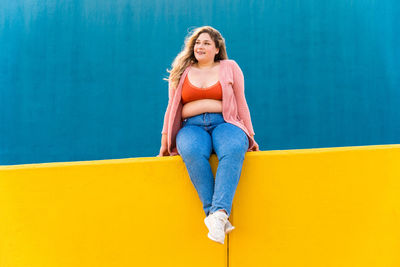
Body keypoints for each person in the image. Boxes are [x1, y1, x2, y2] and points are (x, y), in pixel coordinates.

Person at [158, 26, 259, 244]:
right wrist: (165, 141)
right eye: (197, 43)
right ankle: (215, 215)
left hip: (226, 122)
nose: (200, 46)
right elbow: (172, 108)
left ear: (216, 48)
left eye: (206, 43)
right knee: (192, 151)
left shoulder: (230, 67)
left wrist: (250, 135)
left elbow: (241, 102)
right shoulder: (182, 70)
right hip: (191, 127)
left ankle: (218, 213)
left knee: (233, 149)